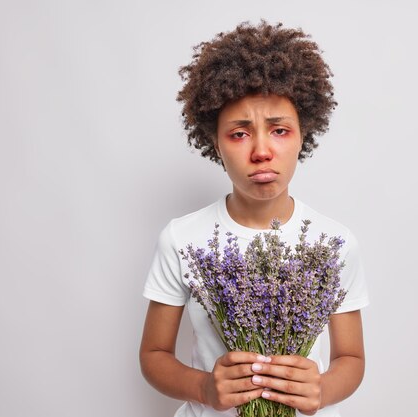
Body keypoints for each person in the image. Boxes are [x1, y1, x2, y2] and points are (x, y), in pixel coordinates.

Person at [139, 21, 369, 417]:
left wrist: (322, 389)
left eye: (279, 130)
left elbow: (351, 358)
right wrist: (204, 387)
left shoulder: (336, 243)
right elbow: (154, 354)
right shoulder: (182, 238)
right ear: (214, 141)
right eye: (240, 134)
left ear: (303, 135)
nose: (262, 151)